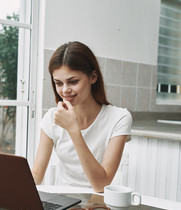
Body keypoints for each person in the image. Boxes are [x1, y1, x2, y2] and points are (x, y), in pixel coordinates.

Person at [31, 41, 132, 193]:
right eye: (58, 83)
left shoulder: (119, 118)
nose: (65, 90)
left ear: (93, 77)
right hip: (63, 205)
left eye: (73, 81)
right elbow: (37, 176)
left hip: (97, 207)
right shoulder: (51, 117)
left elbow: (101, 185)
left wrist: (73, 129)